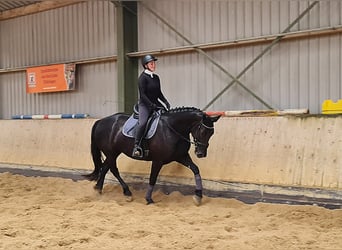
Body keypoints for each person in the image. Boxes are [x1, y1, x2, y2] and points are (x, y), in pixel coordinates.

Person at [132, 54, 171, 158]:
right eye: (151, 63)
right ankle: (136, 146)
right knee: (143, 123)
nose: (153, 65)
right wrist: (151, 105)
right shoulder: (142, 78)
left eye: (154, 63)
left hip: (155, 104)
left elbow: (158, 93)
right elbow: (143, 95)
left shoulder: (156, 77)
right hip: (145, 105)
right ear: (146, 65)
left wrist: (165, 102)